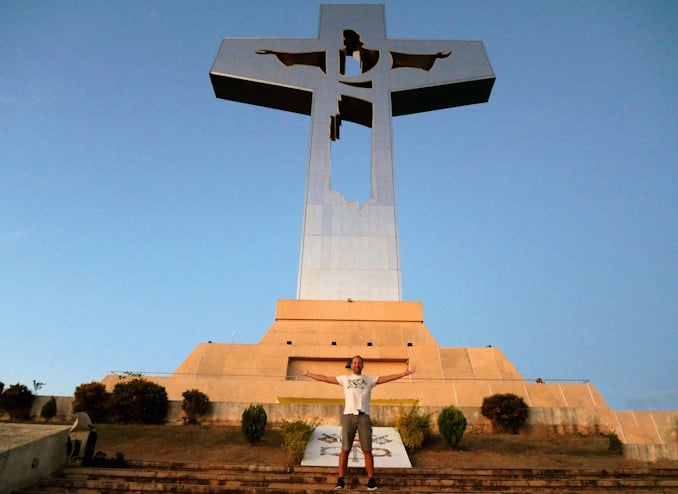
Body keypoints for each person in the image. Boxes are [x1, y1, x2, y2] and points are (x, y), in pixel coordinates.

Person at [300, 355, 416, 490]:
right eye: (354, 362)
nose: (357, 364)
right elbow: (326, 378)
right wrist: (309, 374)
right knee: (345, 449)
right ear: (351, 365)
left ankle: (371, 481)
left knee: (367, 450)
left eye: (359, 363)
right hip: (349, 416)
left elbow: (387, 378)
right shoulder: (345, 379)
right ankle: (341, 480)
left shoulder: (369, 379)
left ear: (362, 365)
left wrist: (404, 373)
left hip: (364, 417)